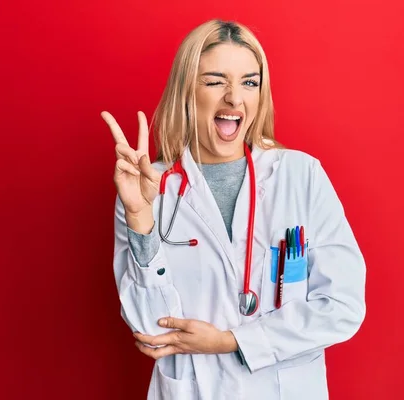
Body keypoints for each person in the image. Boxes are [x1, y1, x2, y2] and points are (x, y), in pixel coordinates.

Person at [102, 19, 366, 400]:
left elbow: (342, 306)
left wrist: (232, 341)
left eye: (249, 82)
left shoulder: (301, 176)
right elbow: (150, 328)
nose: (234, 98)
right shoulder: (145, 186)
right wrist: (140, 217)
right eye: (214, 81)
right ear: (186, 92)